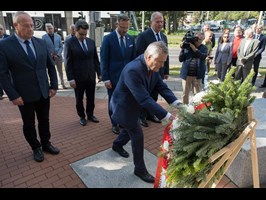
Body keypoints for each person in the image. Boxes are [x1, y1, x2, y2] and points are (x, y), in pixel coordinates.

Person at [110, 41, 183, 183]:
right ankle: (140, 170)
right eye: (159, 62)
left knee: (128, 129)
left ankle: (117, 145)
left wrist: (177, 104)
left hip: (134, 107)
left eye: (163, 62)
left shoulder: (153, 66)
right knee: (137, 135)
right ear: (149, 57)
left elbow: (162, 86)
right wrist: (167, 117)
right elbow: (144, 99)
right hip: (123, 108)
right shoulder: (133, 70)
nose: (161, 66)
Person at [0, 11, 60, 162]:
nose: (31, 29)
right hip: (23, 95)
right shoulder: (5, 46)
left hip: (43, 91)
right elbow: (3, 74)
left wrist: (54, 86)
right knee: (29, 124)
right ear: (16, 25)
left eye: (32, 25)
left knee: (44, 120)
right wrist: (13, 95)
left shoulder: (40, 42)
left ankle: (46, 143)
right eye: (26, 26)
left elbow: (50, 66)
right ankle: (36, 147)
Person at [100, 14, 136, 135]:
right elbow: (104, 60)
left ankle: (122, 121)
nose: (125, 30)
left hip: (127, 79)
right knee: (114, 102)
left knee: (125, 101)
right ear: (117, 24)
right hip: (113, 78)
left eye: (127, 27)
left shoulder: (131, 39)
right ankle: (114, 123)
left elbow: (133, 60)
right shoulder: (108, 39)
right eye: (123, 27)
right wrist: (105, 79)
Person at [64, 20, 101, 126]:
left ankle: (90, 114)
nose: (83, 36)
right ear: (75, 30)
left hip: (90, 76)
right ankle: (81, 116)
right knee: (79, 99)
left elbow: (95, 59)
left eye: (85, 34)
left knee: (91, 97)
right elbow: (67, 62)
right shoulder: (69, 43)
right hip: (78, 78)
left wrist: (99, 73)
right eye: (81, 34)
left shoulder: (91, 42)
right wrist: (71, 79)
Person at [136, 11, 169, 127]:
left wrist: (166, 71)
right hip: (146, 73)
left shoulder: (164, 36)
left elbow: (166, 55)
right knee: (145, 94)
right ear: (151, 22)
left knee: (154, 94)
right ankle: (142, 116)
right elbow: (139, 55)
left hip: (158, 71)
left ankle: (150, 114)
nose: (160, 24)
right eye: (158, 22)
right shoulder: (143, 36)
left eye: (162, 22)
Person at [179, 32, 208, 104]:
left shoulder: (204, 48)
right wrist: (182, 49)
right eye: (196, 39)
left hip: (197, 76)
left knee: (198, 94)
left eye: (200, 39)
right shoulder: (187, 46)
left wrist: (194, 49)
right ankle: (185, 108)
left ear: (202, 40)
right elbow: (181, 59)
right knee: (185, 93)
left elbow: (202, 56)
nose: (197, 40)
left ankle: (197, 109)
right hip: (187, 75)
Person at [42, 23, 67, 89]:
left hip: (58, 57)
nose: (50, 30)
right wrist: (50, 54)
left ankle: (62, 84)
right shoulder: (43, 37)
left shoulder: (58, 36)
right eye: (48, 29)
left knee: (60, 72)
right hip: (50, 58)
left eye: (51, 28)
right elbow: (44, 48)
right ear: (46, 30)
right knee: (52, 71)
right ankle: (54, 85)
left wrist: (58, 54)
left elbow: (61, 46)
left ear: (53, 28)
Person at [0, 24, 10, 100]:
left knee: (9, 77)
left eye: (1, 29)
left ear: (3, 29)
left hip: (8, 61)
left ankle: (11, 93)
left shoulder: (9, 38)